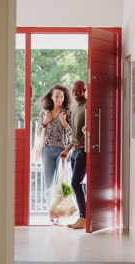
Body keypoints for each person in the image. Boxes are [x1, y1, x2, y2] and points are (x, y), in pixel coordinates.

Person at [36, 84, 72, 224]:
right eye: (57, 96)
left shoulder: (67, 113)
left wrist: (64, 123)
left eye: (61, 96)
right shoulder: (45, 113)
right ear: (51, 97)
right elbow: (39, 133)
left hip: (63, 150)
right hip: (48, 150)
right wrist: (45, 121)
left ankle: (64, 212)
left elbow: (72, 135)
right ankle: (52, 214)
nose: (59, 99)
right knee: (49, 184)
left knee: (63, 182)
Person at [60, 80, 87, 229]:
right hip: (75, 151)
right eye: (74, 91)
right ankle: (82, 217)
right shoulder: (75, 107)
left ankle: (84, 217)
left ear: (85, 90)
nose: (76, 93)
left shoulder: (88, 105)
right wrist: (67, 149)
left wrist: (89, 130)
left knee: (75, 183)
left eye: (79, 90)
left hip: (84, 151)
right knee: (78, 184)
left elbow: (91, 129)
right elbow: (75, 135)